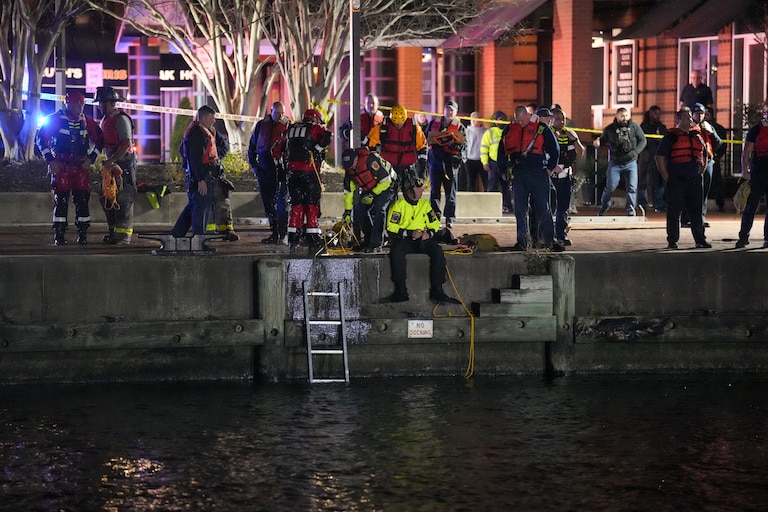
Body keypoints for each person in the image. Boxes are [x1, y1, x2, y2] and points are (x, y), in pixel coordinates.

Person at [36, 91, 104, 245]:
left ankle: (83, 233)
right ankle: (59, 234)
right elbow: (41, 140)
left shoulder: (87, 122)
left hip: (81, 166)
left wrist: (91, 159)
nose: (79, 108)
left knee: (82, 199)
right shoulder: (54, 120)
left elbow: (100, 140)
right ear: (68, 104)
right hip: (62, 166)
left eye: (81, 105)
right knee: (61, 200)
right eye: (75, 105)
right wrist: (51, 161)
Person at [382, 176, 460, 304]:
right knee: (396, 252)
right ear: (409, 190)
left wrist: (428, 234)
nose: (422, 190)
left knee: (437, 251)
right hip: (405, 239)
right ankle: (400, 291)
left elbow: (434, 223)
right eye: (418, 188)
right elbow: (391, 227)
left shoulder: (425, 205)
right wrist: (409, 233)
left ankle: (437, 291)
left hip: (422, 239)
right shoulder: (399, 205)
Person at [497, 105, 562, 251]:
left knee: (543, 208)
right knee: (520, 210)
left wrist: (550, 169)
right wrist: (502, 170)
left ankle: (549, 241)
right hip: (519, 174)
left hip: (539, 173)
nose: (520, 123)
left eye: (522, 120)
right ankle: (522, 242)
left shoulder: (542, 128)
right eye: (517, 120)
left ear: (528, 115)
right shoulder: (509, 129)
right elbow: (501, 152)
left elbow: (555, 149)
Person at [655, 108, 711, 249]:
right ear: (678, 120)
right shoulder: (670, 137)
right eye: (686, 117)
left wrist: (701, 171)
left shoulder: (697, 136)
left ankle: (700, 240)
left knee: (696, 212)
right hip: (677, 179)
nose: (690, 120)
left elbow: (704, 153)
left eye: (690, 117)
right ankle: (672, 241)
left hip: (695, 179)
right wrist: (667, 176)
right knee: (674, 211)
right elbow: (659, 157)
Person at [285, 108, 332, 253]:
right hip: (310, 172)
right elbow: (327, 136)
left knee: (296, 205)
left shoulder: (291, 129)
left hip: (293, 173)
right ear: (315, 119)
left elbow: (279, 148)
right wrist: (317, 148)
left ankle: (293, 238)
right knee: (311, 206)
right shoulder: (315, 129)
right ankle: (313, 239)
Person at [93, 86, 136, 245]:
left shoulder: (120, 119)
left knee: (124, 198)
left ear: (112, 102)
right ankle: (113, 232)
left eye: (103, 103)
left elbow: (125, 143)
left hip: (123, 162)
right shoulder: (106, 120)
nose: (100, 106)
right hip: (112, 162)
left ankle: (123, 236)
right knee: (107, 197)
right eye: (99, 103)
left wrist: (112, 160)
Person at [171, 105, 221, 237]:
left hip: (197, 175)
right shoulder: (198, 134)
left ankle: (177, 234)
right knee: (200, 209)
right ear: (203, 118)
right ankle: (199, 240)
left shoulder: (198, 131)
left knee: (193, 206)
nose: (214, 121)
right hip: (201, 176)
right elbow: (195, 158)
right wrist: (201, 179)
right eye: (211, 118)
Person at [340, 147, 398, 252]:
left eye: (352, 164)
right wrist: (347, 212)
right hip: (371, 187)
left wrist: (372, 195)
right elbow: (348, 192)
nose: (351, 168)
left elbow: (385, 180)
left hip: (388, 184)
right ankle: (368, 240)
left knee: (379, 209)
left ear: (357, 158)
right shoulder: (349, 170)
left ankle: (376, 243)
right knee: (360, 210)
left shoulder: (370, 159)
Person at [248, 101, 289, 244]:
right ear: (271, 111)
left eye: (282, 113)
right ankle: (275, 232)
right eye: (277, 113)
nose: (280, 116)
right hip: (264, 168)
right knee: (268, 202)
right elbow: (252, 147)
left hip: (281, 169)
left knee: (282, 202)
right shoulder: (261, 126)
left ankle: (283, 233)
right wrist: (254, 166)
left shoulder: (287, 127)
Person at [595, 107, 647, 216]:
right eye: (622, 116)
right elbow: (602, 141)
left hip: (631, 162)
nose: (625, 118)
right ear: (617, 116)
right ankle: (604, 208)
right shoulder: (609, 129)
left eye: (626, 115)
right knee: (610, 187)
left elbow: (643, 140)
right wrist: (598, 143)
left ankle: (630, 211)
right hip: (615, 162)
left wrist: (636, 152)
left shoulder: (634, 127)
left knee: (632, 187)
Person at [366, 104, 427, 189]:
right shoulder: (383, 127)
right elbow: (370, 143)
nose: (398, 125)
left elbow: (422, 148)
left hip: (408, 167)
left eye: (401, 123)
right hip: (388, 167)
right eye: (395, 123)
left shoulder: (414, 128)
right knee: (387, 193)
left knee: (413, 195)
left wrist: (423, 169)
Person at [681, 103, 722, 228]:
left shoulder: (708, 126)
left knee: (704, 190)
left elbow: (719, 143)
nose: (700, 115)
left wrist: (712, 133)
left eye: (702, 113)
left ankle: (700, 217)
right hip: (693, 162)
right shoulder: (688, 126)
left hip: (708, 161)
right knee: (691, 191)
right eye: (697, 113)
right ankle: (686, 218)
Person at [426, 100, 466, 228]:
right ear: (444, 110)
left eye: (452, 110)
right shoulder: (434, 123)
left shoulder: (460, 127)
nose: (449, 112)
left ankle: (450, 219)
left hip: (451, 161)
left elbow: (464, 146)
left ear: (456, 112)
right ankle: (434, 218)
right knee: (434, 192)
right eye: (447, 109)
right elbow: (426, 137)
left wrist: (452, 144)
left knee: (451, 192)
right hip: (435, 160)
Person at [551, 108, 585, 246]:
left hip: (565, 176)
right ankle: (546, 235)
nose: (561, 121)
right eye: (558, 119)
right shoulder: (548, 134)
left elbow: (580, 152)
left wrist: (575, 140)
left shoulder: (570, 134)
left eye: (563, 119)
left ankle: (561, 234)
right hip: (550, 175)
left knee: (563, 207)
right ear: (551, 119)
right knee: (549, 206)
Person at [735, 106, 768, 249]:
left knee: (751, 206)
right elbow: (747, 151)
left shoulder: (756, 129)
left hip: (758, 170)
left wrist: (745, 171)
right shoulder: (756, 129)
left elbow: (747, 151)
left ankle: (743, 238)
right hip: (759, 171)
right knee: (752, 205)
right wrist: (745, 170)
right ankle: (762, 238)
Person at [208, 129, 239, 241]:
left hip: (216, 172)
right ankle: (208, 232)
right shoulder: (194, 133)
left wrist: (215, 155)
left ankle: (227, 230)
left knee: (223, 202)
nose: (214, 120)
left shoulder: (214, 132)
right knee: (207, 204)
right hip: (202, 174)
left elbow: (224, 148)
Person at [638, 106, 667, 212]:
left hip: (659, 157)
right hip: (646, 156)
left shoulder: (662, 127)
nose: (657, 116)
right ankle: (641, 203)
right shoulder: (644, 127)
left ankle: (659, 204)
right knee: (643, 181)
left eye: (659, 114)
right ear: (650, 114)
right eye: (655, 114)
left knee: (660, 181)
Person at [481, 111, 511, 213]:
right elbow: (484, 148)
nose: (500, 121)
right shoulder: (490, 132)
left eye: (502, 119)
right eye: (498, 119)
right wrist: (484, 162)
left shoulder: (509, 131)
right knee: (492, 185)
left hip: (505, 163)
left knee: (506, 185)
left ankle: (506, 206)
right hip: (493, 163)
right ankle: (490, 207)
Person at [705, 107, 728, 212]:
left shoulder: (717, 128)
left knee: (717, 182)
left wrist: (717, 156)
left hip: (713, 158)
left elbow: (721, 143)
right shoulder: (698, 128)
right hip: (702, 159)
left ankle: (720, 203)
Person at [462, 112, 487, 192]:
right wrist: (465, 159)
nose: (474, 121)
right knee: (470, 183)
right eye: (473, 120)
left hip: (482, 160)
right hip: (470, 160)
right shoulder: (466, 132)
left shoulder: (485, 131)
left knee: (486, 182)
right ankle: (470, 201)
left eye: (477, 119)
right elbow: (463, 146)